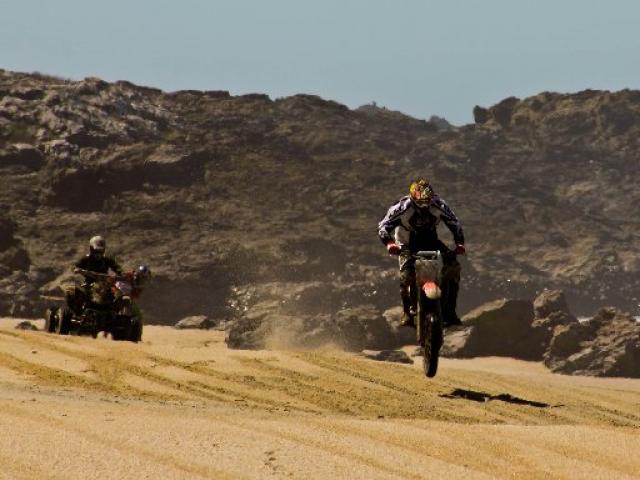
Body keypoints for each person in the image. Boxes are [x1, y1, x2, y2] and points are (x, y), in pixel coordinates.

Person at [378, 178, 465, 327]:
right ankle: (407, 312)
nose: (424, 206)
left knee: (453, 268)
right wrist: (390, 243)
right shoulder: (401, 207)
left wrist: (459, 243)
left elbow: (454, 222)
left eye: (428, 201)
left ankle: (450, 312)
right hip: (406, 243)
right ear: (412, 198)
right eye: (421, 202)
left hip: (430, 239)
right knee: (406, 275)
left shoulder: (439, 204)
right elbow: (383, 226)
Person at [66, 235, 123, 313]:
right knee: (71, 291)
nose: (98, 254)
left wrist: (121, 273)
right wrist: (77, 269)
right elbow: (75, 266)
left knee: (118, 296)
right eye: (96, 251)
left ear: (104, 250)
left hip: (104, 286)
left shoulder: (107, 260)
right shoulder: (86, 259)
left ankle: (116, 314)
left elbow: (116, 267)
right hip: (88, 284)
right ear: (91, 249)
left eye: (100, 251)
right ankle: (78, 312)